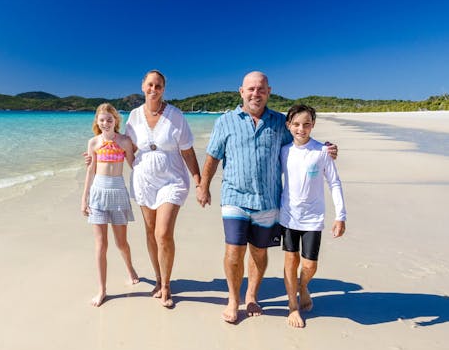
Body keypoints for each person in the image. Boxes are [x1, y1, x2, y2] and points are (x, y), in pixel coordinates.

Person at [196, 71, 337, 323]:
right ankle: (232, 298)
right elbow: (212, 156)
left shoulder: (279, 123)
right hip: (234, 197)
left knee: (259, 253)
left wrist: (326, 148)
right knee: (233, 251)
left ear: (268, 92)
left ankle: (251, 295)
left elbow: (301, 140)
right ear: (241, 91)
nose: (255, 94)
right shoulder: (225, 121)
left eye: (261, 89)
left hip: (268, 201)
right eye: (250, 89)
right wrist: (203, 185)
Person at [125, 69, 201, 308]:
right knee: (149, 231)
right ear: (142, 86)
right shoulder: (134, 116)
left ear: (163, 89)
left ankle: (167, 285)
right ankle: (158, 279)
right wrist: (97, 158)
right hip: (144, 180)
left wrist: (199, 180)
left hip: (172, 179)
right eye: (150, 85)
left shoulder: (176, 116)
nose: (153, 89)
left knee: (162, 233)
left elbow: (187, 150)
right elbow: (126, 148)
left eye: (158, 86)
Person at [280, 104, 346, 328]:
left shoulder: (322, 151)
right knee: (291, 260)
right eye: (296, 124)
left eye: (306, 124)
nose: (301, 129)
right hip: (288, 216)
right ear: (288, 126)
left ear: (313, 125)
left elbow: (334, 183)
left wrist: (341, 216)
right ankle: (292, 307)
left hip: (313, 218)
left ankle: (303, 285)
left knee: (309, 265)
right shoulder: (283, 150)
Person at [81, 103, 139, 307]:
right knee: (101, 245)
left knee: (121, 243)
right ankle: (102, 290)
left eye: (109, 119)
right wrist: (84, 198)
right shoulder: (93, 143)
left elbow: (134, 165)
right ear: (97, 121)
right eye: (102, 119)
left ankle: (130, 268)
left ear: (116, 120)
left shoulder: (124, 141)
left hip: (118, 193)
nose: (105, 123)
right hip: (97, 193)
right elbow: (90, 171)